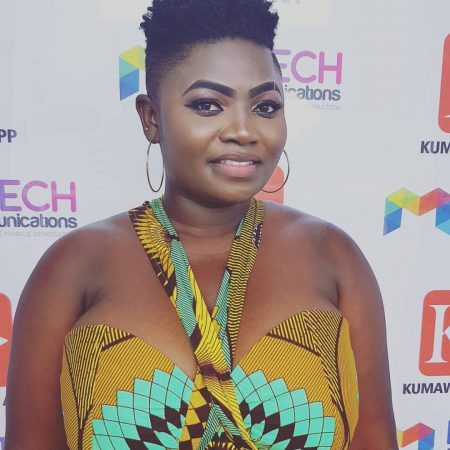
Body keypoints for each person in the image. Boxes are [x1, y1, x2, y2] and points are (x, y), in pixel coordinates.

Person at [5, 0, 398, 449]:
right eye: (208, 105)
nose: (243, 130)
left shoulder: (332, 255)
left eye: (266, 106)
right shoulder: (73, 265)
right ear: (151, 118)